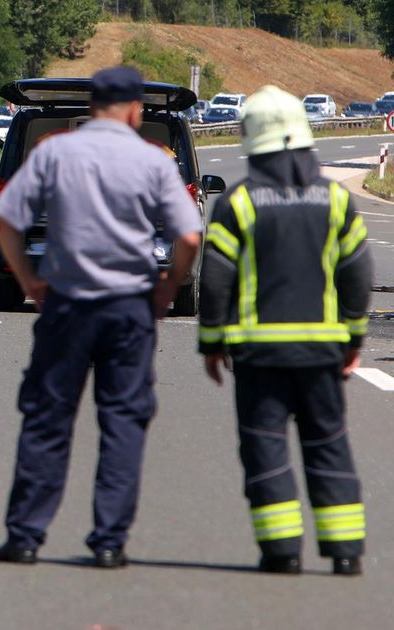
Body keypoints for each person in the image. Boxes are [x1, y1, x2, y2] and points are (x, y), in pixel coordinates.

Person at [0, 66, 202, 568]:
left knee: (48, 416)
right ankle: (109, 541)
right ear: (133, 110)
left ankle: (24, 537)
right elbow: (189, 236)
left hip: (67, 302)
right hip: (129, 306)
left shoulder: (55, 153)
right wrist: (168, 286)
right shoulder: (152, 160)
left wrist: (30, 280)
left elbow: (3, 217)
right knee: (123, 420)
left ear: (92, 107)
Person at [198, 86, 373, 576]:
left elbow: (215, 278)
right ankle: (345, 551)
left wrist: (212, 343)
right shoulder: (335, 199)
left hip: (260, 355)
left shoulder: (239, 202)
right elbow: (358, 274)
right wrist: (353, 339)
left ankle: (282, 553)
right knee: (328, 442)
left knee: (265, 444)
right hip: (322, 351)